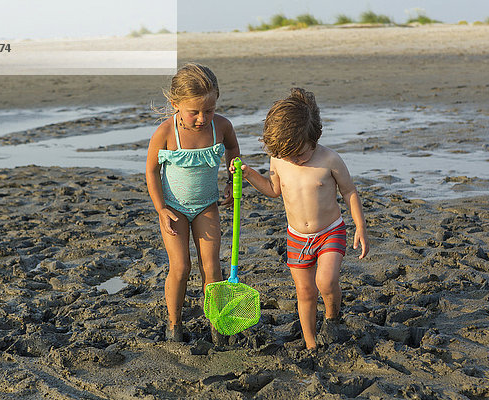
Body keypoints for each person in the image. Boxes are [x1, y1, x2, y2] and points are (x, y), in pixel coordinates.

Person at [230, 88, 369, 349]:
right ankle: (310, 343)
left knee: (326, 282)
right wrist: (248, 174)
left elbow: (349, 191)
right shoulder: (279, 159)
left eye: (300, 153)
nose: (294, 160)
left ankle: (331, 317)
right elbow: (273, 190)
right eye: (288, 155)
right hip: (297, 237)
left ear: (314, 138)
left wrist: (360, 226)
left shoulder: (329, 159)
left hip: (330, 231)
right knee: (305, 292)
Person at [146, 63, 240, 342]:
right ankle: (174, 324)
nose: (202, 118)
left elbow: (233, 149)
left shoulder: (221, 126)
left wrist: (229, 178)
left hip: (207, 206)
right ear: (176, 104)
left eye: (209, 110)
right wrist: (160, 209)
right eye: (194, 112)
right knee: (181, 267)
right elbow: (151, 170)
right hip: (172, 208)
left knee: (212, 267)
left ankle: (216, 322)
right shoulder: (166, 133)